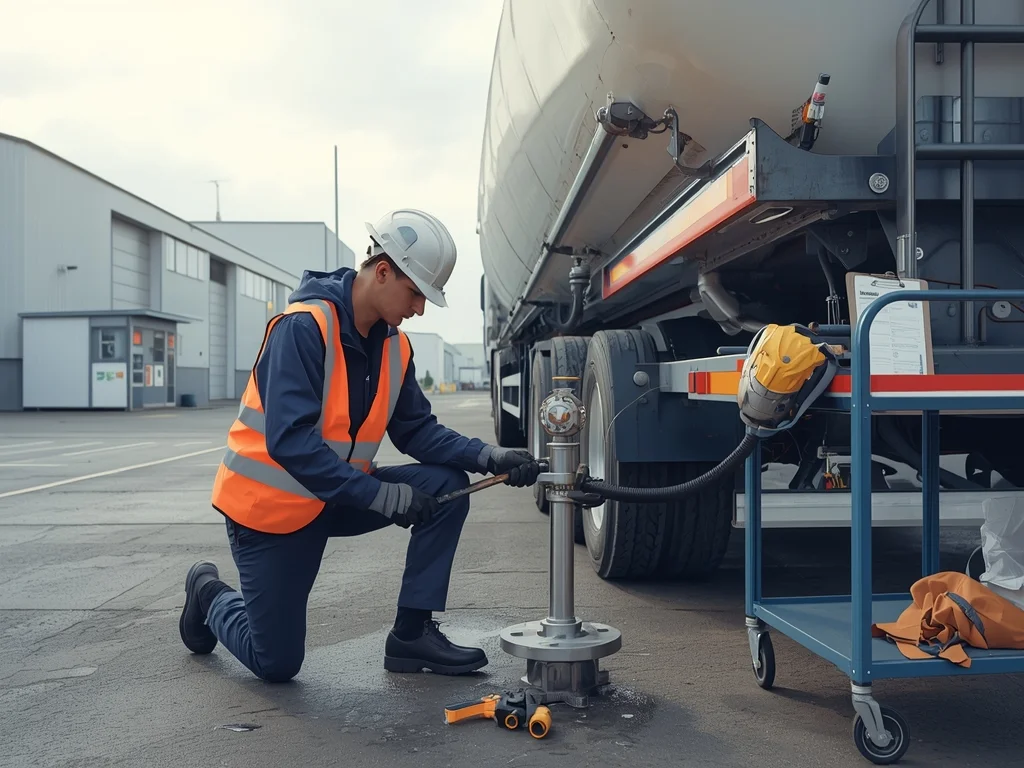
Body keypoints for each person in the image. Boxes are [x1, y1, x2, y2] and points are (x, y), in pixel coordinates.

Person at [178, 209, 541, 682]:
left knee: (447, 486)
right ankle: (209, 594)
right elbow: (290, 441)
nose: (419, 309)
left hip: (335, 497)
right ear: (383, 271)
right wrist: (381, 495)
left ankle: (411, 634)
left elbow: (417, 431)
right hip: (270, 512)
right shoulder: (302, 329)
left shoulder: (394, 346)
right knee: (277, 663)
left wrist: (487, 457)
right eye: (415, 293)